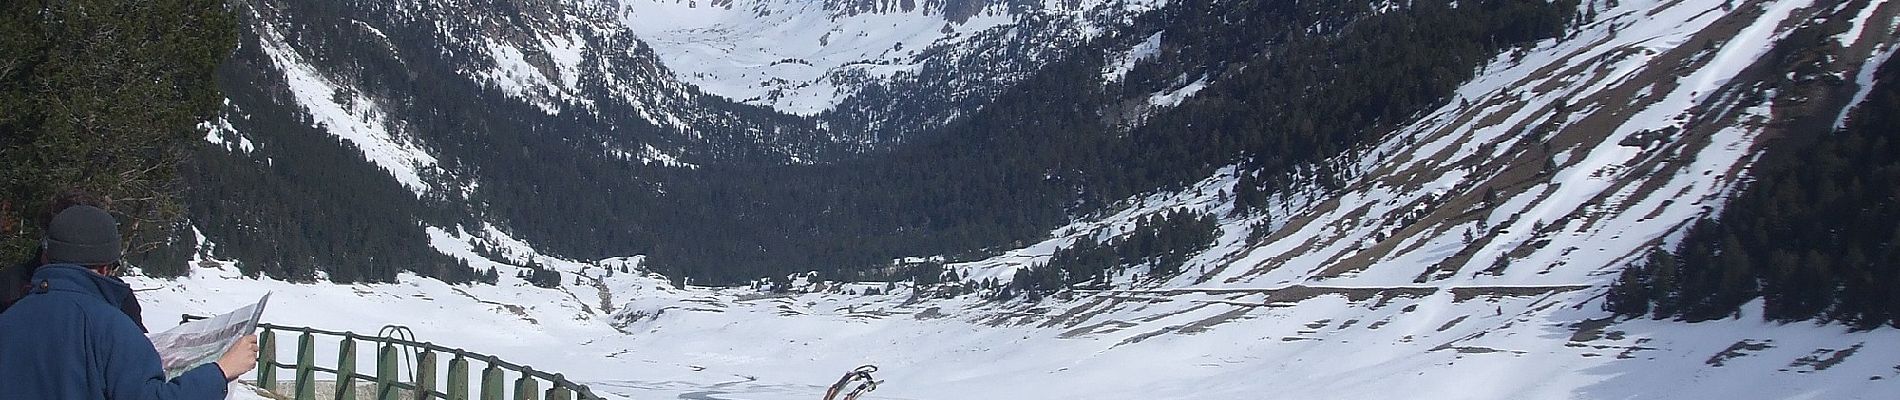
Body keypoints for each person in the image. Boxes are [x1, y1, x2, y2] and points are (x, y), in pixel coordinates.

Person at [0, 205, 259, 399]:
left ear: (48, 257)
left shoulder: (10, 318)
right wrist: (221, 371)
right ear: (105, 267)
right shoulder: (111, 326)